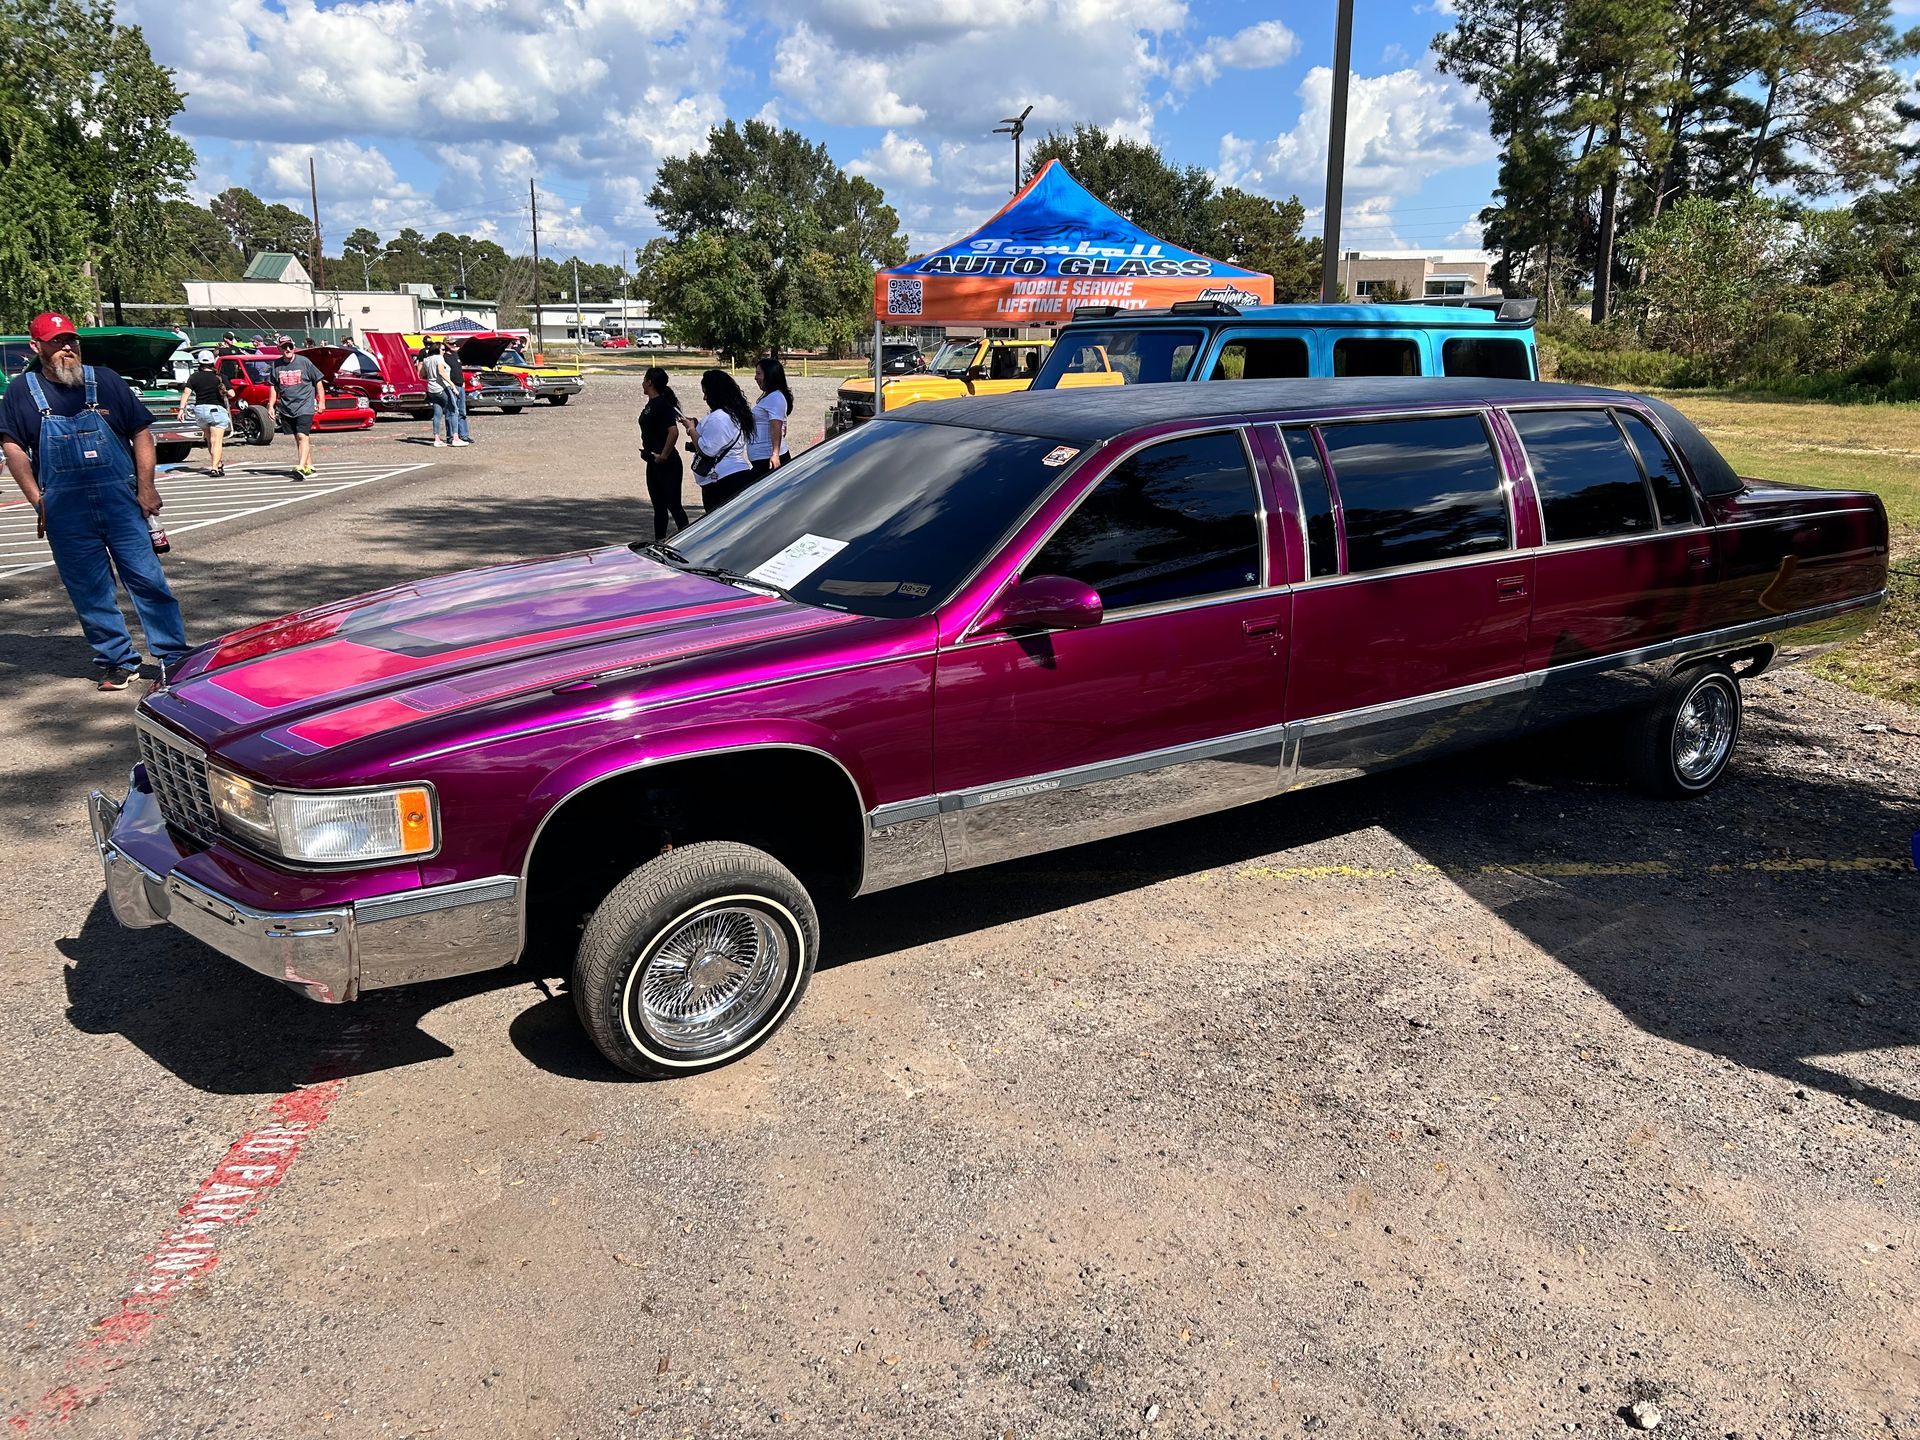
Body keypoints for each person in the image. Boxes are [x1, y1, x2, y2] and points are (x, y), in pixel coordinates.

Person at [0, 313, 190, 690]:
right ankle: (118, 659)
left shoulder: (105, 380)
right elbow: (13, 446)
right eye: (56, 342)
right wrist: (38, 500)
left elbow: (141, 433)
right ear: (37, 348)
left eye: (71, 340)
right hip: (65, 508)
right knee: (88, 588)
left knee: (148, 580)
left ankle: (173, 657)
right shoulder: (23, 391)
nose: (67, 347)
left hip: (119, 499)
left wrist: (147, 487)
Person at [678, 368, 755, 510]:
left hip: (723, 480)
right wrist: (697, 426)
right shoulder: (733, 413)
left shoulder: (720, 417)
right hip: (733, 474)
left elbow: (707, 449)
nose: (704, 398)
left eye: (705, 393)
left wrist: (691, 429)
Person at [637, 367, 687, 538]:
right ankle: (659, 541)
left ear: (650, 382)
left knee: (673, 505)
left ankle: (687, 538)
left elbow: (673, 432)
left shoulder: (662, 405)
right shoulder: (652, 404)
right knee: (659, 507)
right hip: (653, 461)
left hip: (667, 463)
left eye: (644, 379)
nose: (642, 383)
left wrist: (664, 455)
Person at [269, 336, 325, 478]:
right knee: (298, 438)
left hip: (305, 405)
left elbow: (318, 381)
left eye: (290, 346)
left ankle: (300, 466)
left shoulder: (304, 362)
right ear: (279, 348)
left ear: (294, 347)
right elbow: (273, 386)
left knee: (302, 436)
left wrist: (321, 402)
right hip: (288, 407)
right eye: (284, 347)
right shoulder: (276, 365)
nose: (288, 349)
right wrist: (271, 405)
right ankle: (309, 466)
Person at [177, 350, 233, 476]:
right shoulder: (220, 377)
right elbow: (232, 394)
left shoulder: (194, 377)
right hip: (216, 409)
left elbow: (186, 393)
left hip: (200, 410)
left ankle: (218, 463)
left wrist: (181, 409)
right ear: (213, 362)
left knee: (209, 440)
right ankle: (214, 467)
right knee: (217, 441)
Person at [747, 357, 792, 479]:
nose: (755, 378)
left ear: (769, 375)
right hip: (762, 458)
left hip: (769, 459)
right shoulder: (771, 397)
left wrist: (775, 454)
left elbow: (776, 426)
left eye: (758, 373)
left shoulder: (775, 397)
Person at [417, 342, 461, 447]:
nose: (444, 351)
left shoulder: (427, 360)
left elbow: (422, 374)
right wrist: (452, 385)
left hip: (432, 389)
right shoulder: (439, 358)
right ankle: (455, 438)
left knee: (437, 414)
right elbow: (441, 372)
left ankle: (437, 439)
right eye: (442, 349)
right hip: (442, 387)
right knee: (454, 410)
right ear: (437, 350)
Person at [443, 342, 472, 444]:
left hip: (460, 385)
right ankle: (451, 436)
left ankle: (463, 435)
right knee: (451, 411)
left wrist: (463, 382)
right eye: (451, 343)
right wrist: (450, 385)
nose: (454, 345)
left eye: (455, 343)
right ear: (446, 345)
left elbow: (459, 369)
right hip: (451, 386)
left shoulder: (456, 355)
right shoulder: (444, 357)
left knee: (462, 411)